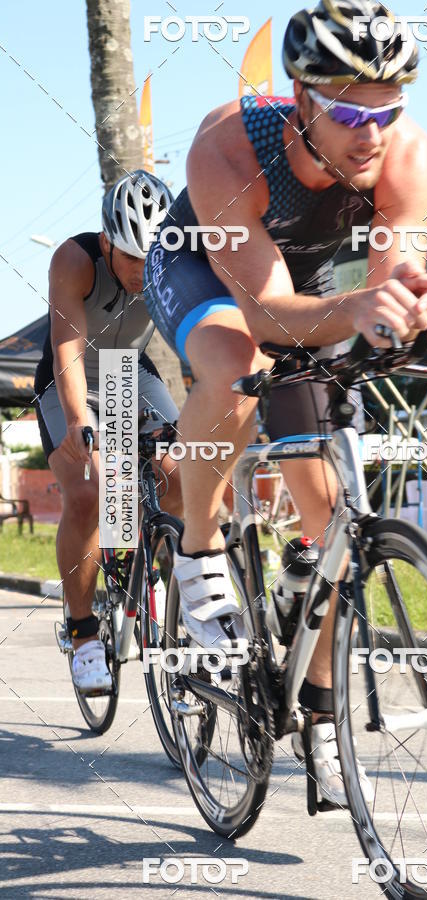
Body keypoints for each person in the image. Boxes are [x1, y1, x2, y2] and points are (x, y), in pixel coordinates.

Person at [144, 0, 427, 805]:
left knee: (333, 534)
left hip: (302, 289)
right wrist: (352, 310)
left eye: (390, 107)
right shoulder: (229, 143)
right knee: (234, 358)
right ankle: (198, 551)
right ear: (301, 94)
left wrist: (414, 301)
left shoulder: (407, 156)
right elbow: (263, 312)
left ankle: (319, 708)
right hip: (206, 275)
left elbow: (392, 266)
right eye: (351, 109)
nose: (373, 130)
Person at [35, 170, 183, 694]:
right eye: (133, 258)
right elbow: (66, 348)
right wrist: (79, 421)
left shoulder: (179, 257)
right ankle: (81, 634)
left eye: (156, 257)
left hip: (127, 372)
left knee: (181, 474)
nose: (146, 271)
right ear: (106, 243)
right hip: (69, 375)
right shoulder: (74, 261)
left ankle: (163, 582)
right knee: (89, 494)